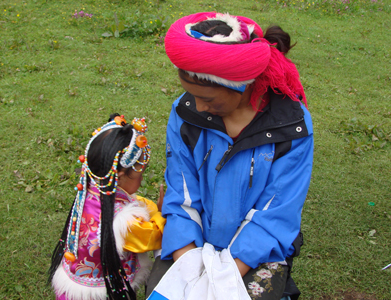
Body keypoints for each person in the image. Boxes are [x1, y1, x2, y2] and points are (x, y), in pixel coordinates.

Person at [146, 12, 313, 300]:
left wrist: (222, 279)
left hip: (256, 252)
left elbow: (276, 214)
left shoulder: (291, 127)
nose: (197, 106)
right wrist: (190, 267)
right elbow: (182, 193)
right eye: (191, 94)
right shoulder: (184, 114)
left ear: (242, 85)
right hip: (193, 243)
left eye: (208, 99)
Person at [48, 114, 166, 300]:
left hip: (75, 282)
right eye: (139, 175)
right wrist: (160, 214)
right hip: (103, 292)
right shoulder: (124, 222)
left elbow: (135, 201)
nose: (142, 179)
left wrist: (149, 207)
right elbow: (152, 237)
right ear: (118, 176)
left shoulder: (91, 188)